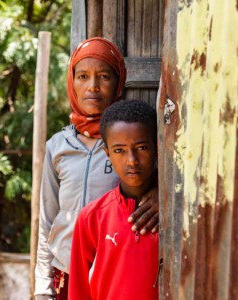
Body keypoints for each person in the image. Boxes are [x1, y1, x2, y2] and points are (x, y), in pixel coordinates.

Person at [35, 38, 159, 300]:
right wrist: (42, 286)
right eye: (82, 76)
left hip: (115, 266)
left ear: (118, 83)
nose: (93, 86)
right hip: (66, 271)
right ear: (72, 83)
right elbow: (47, 219)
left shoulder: (128, 142)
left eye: (103, 76)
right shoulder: (58, 146)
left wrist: (164, 195)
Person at [69, 99, 160, 300]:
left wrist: (167, 198)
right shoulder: (92, 218)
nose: (132, 160)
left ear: (156, 147)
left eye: (142, 147)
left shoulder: (172, 209)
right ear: (107, 153)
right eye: (119, 150)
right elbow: (79, 290)